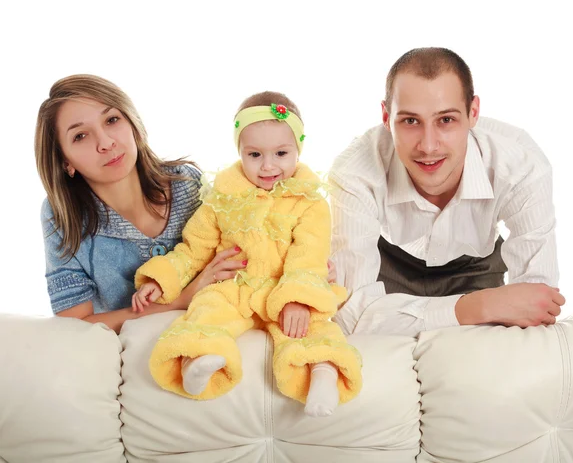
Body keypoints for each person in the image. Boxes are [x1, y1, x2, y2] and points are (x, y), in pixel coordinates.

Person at [132, 91, 362, 417]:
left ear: (298, 149)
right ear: (239, 151)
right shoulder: (223, 198)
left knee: (312, 325)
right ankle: (196, 364)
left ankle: (322, 374)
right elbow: (193, 248)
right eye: (254, 154)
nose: (268, 166)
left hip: (283, 289)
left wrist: (298, 298)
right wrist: (161, 280)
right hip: (234, 288)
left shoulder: (309, 202)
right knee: (207, 311)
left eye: (281, 153)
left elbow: (309, 255)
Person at [329, 47, 566, 337]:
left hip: (477, 266)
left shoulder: (521, 165)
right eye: (410, 121)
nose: (428, 146)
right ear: (385, 116)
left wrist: (487, 302)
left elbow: (539, 301)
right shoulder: (354, 171)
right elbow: (350, 315)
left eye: (446, 120)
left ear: (473, 113)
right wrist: (477, 307)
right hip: (387, 265)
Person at [35, 74, 246, 333]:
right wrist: (181, 301)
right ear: (65, 161)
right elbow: (74, 327)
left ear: (132, 122)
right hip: (127, 360)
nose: (106, 143)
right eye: (80, 136)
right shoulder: (63, 217)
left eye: (112, 120)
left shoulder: (188, 183)